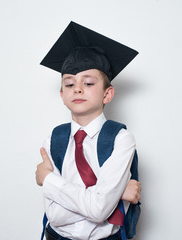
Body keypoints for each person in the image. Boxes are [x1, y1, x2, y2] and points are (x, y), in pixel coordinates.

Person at [35, 21, 141, 240]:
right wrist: (115, 196)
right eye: (70, 84)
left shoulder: (121, 139)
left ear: (107, 94)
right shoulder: (54, 140)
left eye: (89, 83)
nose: (78, 88)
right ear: (62, 95)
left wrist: (49, 180)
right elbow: (55, 216)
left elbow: (100, 210)